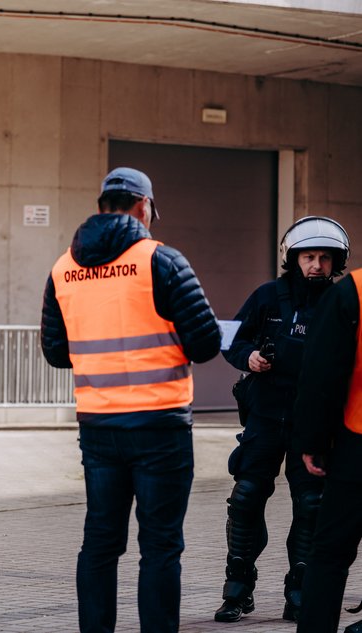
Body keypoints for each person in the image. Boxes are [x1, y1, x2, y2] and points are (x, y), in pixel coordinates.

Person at [41, 167, 221, 633]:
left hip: (99, 428)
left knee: (100, 541)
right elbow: (204, 345)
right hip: (160, 426)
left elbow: (56, 352)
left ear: (103, 206)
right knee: (160, 545)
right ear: (144, 207)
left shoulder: (64, 268)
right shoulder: (161, 261)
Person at [213, 216, 350, 623]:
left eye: (326, 258)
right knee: (246, 498)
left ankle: (300, 592)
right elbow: (229, 337)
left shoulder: (343, 300)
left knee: (311, 505)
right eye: (309, 256)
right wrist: (248, 358)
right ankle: (238, 590)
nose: (317, 265)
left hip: (317, 425)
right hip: (266, 416)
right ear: (293, 257)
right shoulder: (267, 296)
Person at [292, 262, 362, 633]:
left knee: (330, 555)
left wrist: (314, 443)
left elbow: (321, 373)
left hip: (357, 447)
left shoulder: (354, 291)